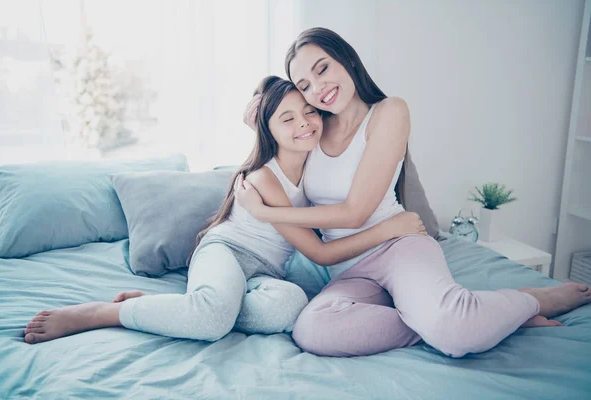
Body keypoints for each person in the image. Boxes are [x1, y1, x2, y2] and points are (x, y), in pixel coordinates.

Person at [236, 27, 591, 357]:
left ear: (348, 59)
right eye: (305, 85)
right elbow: (280, 155)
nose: (318, 87)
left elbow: (356, 212)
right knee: (313, 330)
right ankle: (471, 316)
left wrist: (266, 213)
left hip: (398, 244)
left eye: (323, 68)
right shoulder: (311, 127)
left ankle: (526, 302)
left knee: (455, 333)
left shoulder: (389, 112)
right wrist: (260, 121)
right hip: (349, 268)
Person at [22, 76, 426, 345]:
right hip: (226, 253)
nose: (305, 123)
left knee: (290, 308)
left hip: (266, 274)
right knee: (212, 323)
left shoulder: (321, 163)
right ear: (269, 129)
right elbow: (319, 253)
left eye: (310, 112)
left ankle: (187, 307)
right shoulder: (264, 180)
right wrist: (394, 227)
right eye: (288, 117)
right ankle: (105, 313)